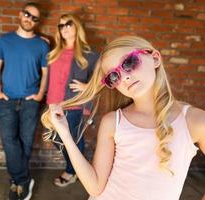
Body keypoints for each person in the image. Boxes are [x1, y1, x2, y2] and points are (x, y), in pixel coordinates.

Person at [42, 36, 205, 200]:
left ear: (155, 58)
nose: (125, 77)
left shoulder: (194, 121)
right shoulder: (113, 122)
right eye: (114, 76)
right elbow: (95, 187)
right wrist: (65, 134)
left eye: (129, 63)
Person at [0, 2, 49, 200]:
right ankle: (23, 180)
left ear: (37, 22)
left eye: (34, 18)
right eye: (27, 14)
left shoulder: (42, 45)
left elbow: (45, 72)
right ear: (20, 14)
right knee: (9, 140)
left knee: (25, 142)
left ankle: (16, 181)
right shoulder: (4, 40)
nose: (29, 19)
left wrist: (41, 94)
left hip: (30, 101)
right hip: (6, 100)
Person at [46, 13, 99, 187]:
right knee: (55, 138)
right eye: (61, 26)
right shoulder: (55, 52)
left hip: (72, 106)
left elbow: (103, 79)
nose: (64, 28)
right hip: (52, 104)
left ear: (77, 26)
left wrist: (87, 87)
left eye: (69, 24)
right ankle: (75, 168)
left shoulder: (89, 55)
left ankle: (71, 171)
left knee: (73, 140)